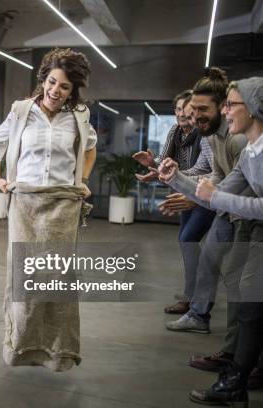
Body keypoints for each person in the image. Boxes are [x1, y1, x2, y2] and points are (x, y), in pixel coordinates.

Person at [0, 48, 97, 371]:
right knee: (25, 276)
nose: (55, 91)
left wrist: (84, 179)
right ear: (43, 79)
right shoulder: (22, 111)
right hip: (25, 205)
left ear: (72, 90)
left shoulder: (78, 116)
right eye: (52, 82)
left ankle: (58, 351)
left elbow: (89, 149)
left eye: (64, 87)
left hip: (63, 205)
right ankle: (22, 346)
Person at [158, 76, 263, 407]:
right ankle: (237, 378)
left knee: (249, 301)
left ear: (255, 107)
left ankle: (237, 378)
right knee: (248, 302)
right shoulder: (250, 152)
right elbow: (217, 195)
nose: (228, 111)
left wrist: (217, 196)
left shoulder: (248, 148)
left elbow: (223, 197)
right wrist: (174, 178)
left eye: (232, 105)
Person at [134, 91, 216, 315]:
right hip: (184, 192)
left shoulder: (204, 134)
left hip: (203, 194)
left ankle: (197, 300)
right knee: (186, 243)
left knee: (188, 239)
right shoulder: (175, 131)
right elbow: (166, 161)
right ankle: (195, 297)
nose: (182, 115)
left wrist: (173, 175)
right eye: (179, 110)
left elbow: (210, 171)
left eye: (188, 112)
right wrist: (155, 165)